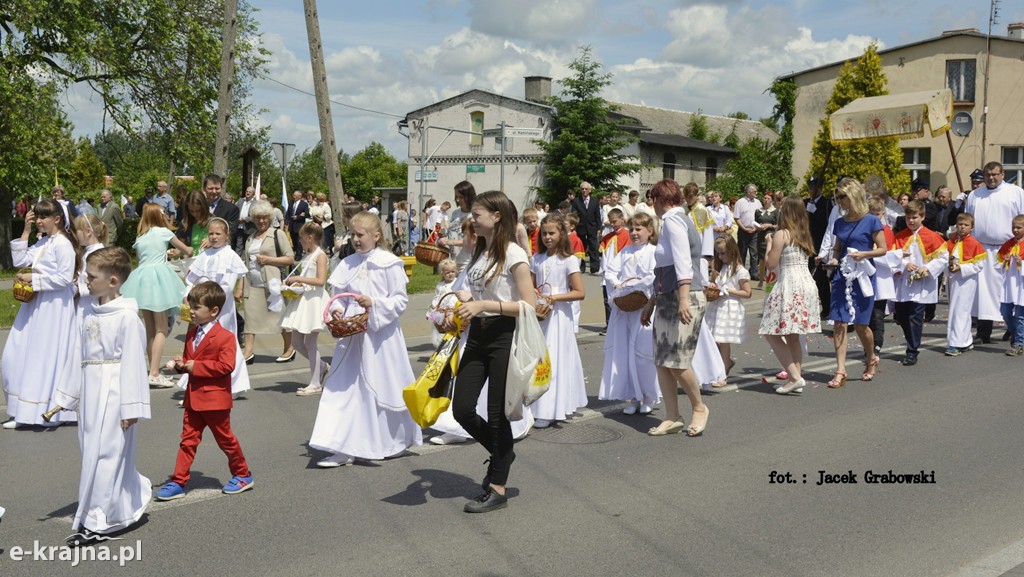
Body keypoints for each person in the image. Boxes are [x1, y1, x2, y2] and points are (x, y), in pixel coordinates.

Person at [442, 190, 536, 513]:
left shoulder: (514, 255)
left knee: (497, 416)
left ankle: (498, 485)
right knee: (462, 409)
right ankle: (502, 453)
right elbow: (474, 291)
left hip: (504, 336)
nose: (472, 219)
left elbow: (529, 305)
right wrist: (458, 305)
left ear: (496, 217)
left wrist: (484, 305)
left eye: (478, 214)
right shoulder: (481, 251)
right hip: (479, 334)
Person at [54, 247, 151, 546]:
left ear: (112, 281)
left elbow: (135, 363)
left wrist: (130, 407)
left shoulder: (127, 318)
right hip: (92, 394)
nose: (85, 279)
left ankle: (104, 520)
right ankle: (111, 503)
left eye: (91, 275)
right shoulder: (90, 314)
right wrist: (67, 396)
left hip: (114, 392)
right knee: (92, 453)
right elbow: (77, 357)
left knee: (109, 454)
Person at [309, 211, 422, 467]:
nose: (356, 239)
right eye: (352, 234)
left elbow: (400, 300)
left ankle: (391, 441)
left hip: (380, 338)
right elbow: (338, 295)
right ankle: (341, 446)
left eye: (360, 235)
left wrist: (374, 303)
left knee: (382, 385)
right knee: (344, 389)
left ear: (376, 235)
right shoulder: (346, 263)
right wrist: (337, 310)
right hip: (351, 337)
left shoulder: (389, 262)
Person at [155, 281, 254, 501]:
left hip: (215, 401)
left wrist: (196, 366)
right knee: (187, 440)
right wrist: (182, 364)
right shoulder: (191, 334)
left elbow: (226, 366)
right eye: (191, 306)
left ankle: (242, 474)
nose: (191, 311)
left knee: (225, 440)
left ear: (214, 311)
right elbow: (190, 361)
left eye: (196, 308)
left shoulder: (225, 337)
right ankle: (179, 481)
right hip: (193, 398)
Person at [640, 179, 710, 437]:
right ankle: (672, 416)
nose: (652, 205)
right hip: (669, 295)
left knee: (678, 360)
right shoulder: (679, 218)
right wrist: (652, 301)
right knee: (662, 360)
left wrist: (682, 299)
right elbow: (663, 270)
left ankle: (699, 407)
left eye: (653, 200)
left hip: (684, 295)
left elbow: (682, 262)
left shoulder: (673, 220)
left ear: (659, 199)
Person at [3, 200, 81, 429]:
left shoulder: (63, 244)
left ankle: (42, 411)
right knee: (17, 353)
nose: (38, 221)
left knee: (45, 357)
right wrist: (26, 231)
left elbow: (64, 279)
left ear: (56, 219)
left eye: (42, 217)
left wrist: (33, 280)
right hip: (36, 305)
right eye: (36, 217)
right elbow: (20, 260)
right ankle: (23, 409)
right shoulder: (45, 241)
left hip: (54, 307)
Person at [120, 204, 193, 387]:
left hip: (141, 280)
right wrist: (178, 251)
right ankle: (154, 372)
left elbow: (145, 256)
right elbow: (187, 251)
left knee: (150, 329)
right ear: (159, 216)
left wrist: (166, 252)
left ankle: (153, 370)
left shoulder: (141, 236)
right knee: (161, 329)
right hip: (158, 279)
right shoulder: (164, 233)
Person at [824, 178, 887, 387]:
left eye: (843, 197)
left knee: (861, 325)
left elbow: (882, 248)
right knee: (840, 322)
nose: (839, 201)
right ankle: (840, 369)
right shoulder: (840, 223)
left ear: (854, 196)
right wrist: (833, 259)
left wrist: (865, 254)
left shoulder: (871, 221)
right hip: (843, 275)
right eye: (838, 197)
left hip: (863, 277)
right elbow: (838, 248)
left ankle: (871, 358)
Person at [758, 196, 823, 394]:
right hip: (806, 284)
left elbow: (771, 264)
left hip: (790, 284)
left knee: (770, 331)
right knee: (793, 335)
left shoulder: (782, 234)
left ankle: (794, 376)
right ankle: (797, 377)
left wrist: (769, 242)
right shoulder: (803, 233)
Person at [529, 213, 587, 429]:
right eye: (543, 233)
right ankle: (537, 405)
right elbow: (532, 286)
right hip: (541, 315)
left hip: (559, 317)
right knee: (539, 359)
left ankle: (551, 409)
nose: (547, 237)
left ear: (561, 234)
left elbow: (579, 292)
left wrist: (553, 297)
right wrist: (536, 297)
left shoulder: (569, 260)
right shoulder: (536, 259)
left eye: (551, 233)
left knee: (555, 359)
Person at [599, 212, 659, 414]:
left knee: (643, 353)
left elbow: (653, 275)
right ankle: (633, 397)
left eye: (638, 229)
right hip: (625, 308)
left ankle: (649, 396)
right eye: (631, 229)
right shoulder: (624, 252)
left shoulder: (653, 252)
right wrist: (618, 286)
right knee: (625, 353)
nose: (633, 233)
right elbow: (610, 272)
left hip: (644, 308)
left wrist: (637, 287)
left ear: (649, 231)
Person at [184, 218, 252, 396]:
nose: (214, 237)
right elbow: (192, 279)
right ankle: (200, 379)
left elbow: (227, 286)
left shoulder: (230, 256)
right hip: (203, 304)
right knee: (203, 339)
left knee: (222, 340)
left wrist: (210, 300)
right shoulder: (205, 255)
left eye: (218, 234)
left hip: (219, 307)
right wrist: (188, 295)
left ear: (226, 235)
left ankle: (231, 381)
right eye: (211, 233)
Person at [965, 162, 1024, 344]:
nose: (991, 178)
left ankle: (1012, 330)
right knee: (983, 293)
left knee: (1010, 291)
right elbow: (968, 221)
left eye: (995, 174)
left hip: (1009, 249)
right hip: (982, 248)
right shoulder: (975, 195)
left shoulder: (1015, 193)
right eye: (988, 174)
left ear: (1002, 174)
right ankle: (984, 332)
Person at [884, 200, 948, 365]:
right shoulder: (900, 236)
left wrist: (928, 268)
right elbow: (891, 256)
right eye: (908, 218)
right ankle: (911, 341)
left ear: (922, 217)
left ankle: (912, 350)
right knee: (902, 316)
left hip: (922, 284)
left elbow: (944, 257)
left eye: (914, 217)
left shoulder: (932, 236)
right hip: (904, 283)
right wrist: (905, 264)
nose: (911, 221)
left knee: (915, 316)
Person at [240, 201, 295, 365]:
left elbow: (290, 258)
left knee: (280, 317)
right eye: (258, 218)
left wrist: (268, 260)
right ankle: (248, 351)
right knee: (250, 319)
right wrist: (240, 287)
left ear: (270, 218)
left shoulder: (278, 234)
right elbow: (245, 264)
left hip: (272, 284)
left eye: (264, 218)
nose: (261, 221)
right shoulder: (251, 237)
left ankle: (289, 349)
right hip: (252, 284)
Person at [282, 223, 331, 396]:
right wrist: (297, 283)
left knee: (310, 342)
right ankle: (322, 366)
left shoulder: (321, 255)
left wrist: (298, 277)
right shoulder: (309, 255)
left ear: (310, 238)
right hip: (305, 299)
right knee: (296, 341)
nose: (301, 242)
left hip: (314, 300)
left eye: (302, 239)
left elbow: (320, 280)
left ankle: (315, 383)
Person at [706, 236, 752, 388]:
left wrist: (729, 291)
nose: (721, 256)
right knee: (715, 341)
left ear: (732, 251)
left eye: (723, 253)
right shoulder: (721, 268)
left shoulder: (740, 270)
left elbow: (747, 293)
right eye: (718, 253)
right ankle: (725, 364)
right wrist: (712, 284)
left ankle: (723, 374)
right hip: (718, 306)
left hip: (730, 307)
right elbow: (715, 285)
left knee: (723, 341)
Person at [944, 213, 987, 356]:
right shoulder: (952, 241)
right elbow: (945, 258)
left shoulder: (974, 244)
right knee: (957, 310)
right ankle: (966, 341)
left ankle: (956, 344)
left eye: (966, 225)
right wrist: (949, 267)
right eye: (960, 224)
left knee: (960, 311)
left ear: (972, 227)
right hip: (953, 279)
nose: (962, 227)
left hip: (966, 281)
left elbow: (979, 265)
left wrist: (961, 268)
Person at [866, 197, 897, 356]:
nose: (874, 217)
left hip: (881, 277)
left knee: (878, 313)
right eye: (871, 213)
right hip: (865, 276)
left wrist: (870, 255)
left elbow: (890, 254)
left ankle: (877, 343)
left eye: (877, 214)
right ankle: (869, 344)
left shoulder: (887, 231)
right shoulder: (864, 228)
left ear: (883, 213)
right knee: (867, 314)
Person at [598, 208, 630, 335]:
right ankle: (609, 324)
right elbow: (604, 256)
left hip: (619, 274)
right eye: (611, 222)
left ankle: (620, 325)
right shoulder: (608, 237)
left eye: (615, 221)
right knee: (607, 300)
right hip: (608, 273)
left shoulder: (627, 235)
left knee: (619, 299)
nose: (612, 224)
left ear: (622, 219)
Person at [805, 176, 833, 318]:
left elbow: (827, 224)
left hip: (819, 246)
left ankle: (826, 308)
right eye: (810, 187)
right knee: (807, 278)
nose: (812, 190)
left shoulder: (827, 203)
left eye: (814, 187)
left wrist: (814, 212)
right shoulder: (805, 203)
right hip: (806, 246)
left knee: (821, 280)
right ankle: (809, 307)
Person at [997, 214, 1024, 356]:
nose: (1015, 230)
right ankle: (1016, 334)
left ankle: (1019, 343)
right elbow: (997, 262)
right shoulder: (1008, 244)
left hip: (1021, 286)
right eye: (1013, 227)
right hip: (1009, 285)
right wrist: (1004, 260)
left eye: (1019, 227)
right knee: (1005, 312)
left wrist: (1022, 263)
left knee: (1020, 316)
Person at [569, 181, 603, 273]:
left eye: (586, 189)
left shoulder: (595, 201)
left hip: (592, 227)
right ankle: (581, 266)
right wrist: (574, 228)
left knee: (593, 247)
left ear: (590, 190)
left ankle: (594, 267)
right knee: (582, 247)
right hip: (580, 228)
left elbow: (598, 215)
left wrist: (599, 228)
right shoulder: (576, 201)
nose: (584, 190)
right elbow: (574, 216)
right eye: (582, 189)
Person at [733, 184, 763, 281]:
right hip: (743, 230)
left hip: (754, 231)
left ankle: (754, 273)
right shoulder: (740, 202)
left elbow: (761, 217)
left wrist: (756, 228)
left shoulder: (758, 202)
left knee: (754, 253)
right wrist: (744, 228)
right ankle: (741, 273)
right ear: (749, 192)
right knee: (742, 252)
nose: (756, 193)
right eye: (754, 191)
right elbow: (737, 218)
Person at [428, 259, 460, 348]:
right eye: (447, 272)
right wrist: (434, 306)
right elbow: (437, 297)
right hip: (442, 311)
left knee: (452, 329)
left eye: (453, 271)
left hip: (453, 310)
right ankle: (442, 347)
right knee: (441, 329)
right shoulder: (440, 285)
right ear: (442, 273)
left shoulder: (457, 282)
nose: (450, 274)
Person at [175, 190, 211, 256]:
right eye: (191, 211)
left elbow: (225, 242)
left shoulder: (214, 222)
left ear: (204, 207)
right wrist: (175, 252)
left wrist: (212, 241)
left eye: (198, 210)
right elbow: (181, 247)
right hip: (191, 261)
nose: (195, 214)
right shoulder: (185, 223)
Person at [754, 192, 778, 287]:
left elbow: (778, 224)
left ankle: (771, 280)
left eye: (768, 198)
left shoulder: (775, 211)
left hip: (771, 235)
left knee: (770, 258)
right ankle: (761, 280)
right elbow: (755, 223)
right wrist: (758, 227)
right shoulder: (758, 211)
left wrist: (770, 225)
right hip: (761, 236)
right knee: (761, 259)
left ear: (771, 200)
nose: (765, 200)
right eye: (764, 198)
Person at [234, 186, 257, 253]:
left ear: (253, 194)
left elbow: (255, 216)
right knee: (239, 246)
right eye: (247, 191)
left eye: (250, 192)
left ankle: (248, 262)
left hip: (249, 228)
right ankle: (237, 261)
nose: (247, 193)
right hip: (239, 227)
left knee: (249, 246)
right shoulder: (240, 201)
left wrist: (245, 219)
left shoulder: (256, 203)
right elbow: (235, 211)